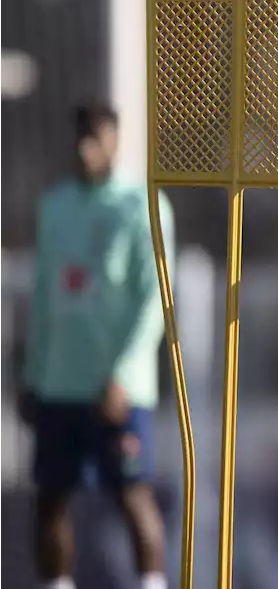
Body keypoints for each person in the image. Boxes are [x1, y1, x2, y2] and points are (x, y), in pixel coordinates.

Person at [19, 101, 174, 589]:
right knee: (51, 498)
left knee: (131, 494)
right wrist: (32, 374)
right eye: (80, 138)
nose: (86, 149)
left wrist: (124, 375)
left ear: (115, 139)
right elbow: (45, 296)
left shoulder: (140, 204)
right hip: (60, 382)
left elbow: (156, 301)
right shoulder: (56, 205)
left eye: (96, 138)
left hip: (116, 389)